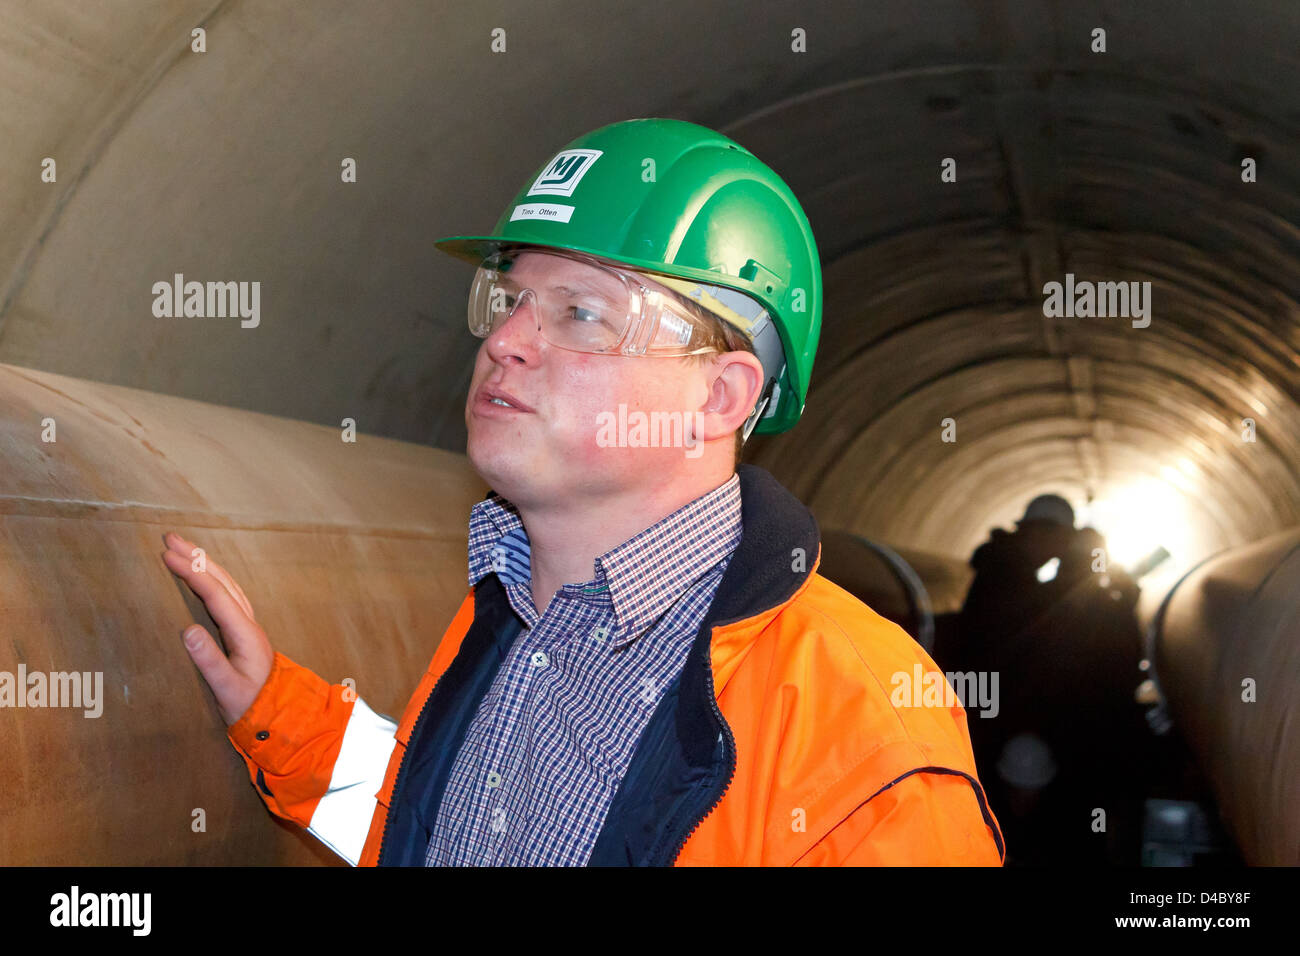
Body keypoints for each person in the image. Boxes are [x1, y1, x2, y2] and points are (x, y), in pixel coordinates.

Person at [162, 117, 1004, 866]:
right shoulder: (512, 610)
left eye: (583, 314)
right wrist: (285, 717)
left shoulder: (864, 744)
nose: (506, 340)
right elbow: (450, 833)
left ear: (718, 398)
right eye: (510, 299)